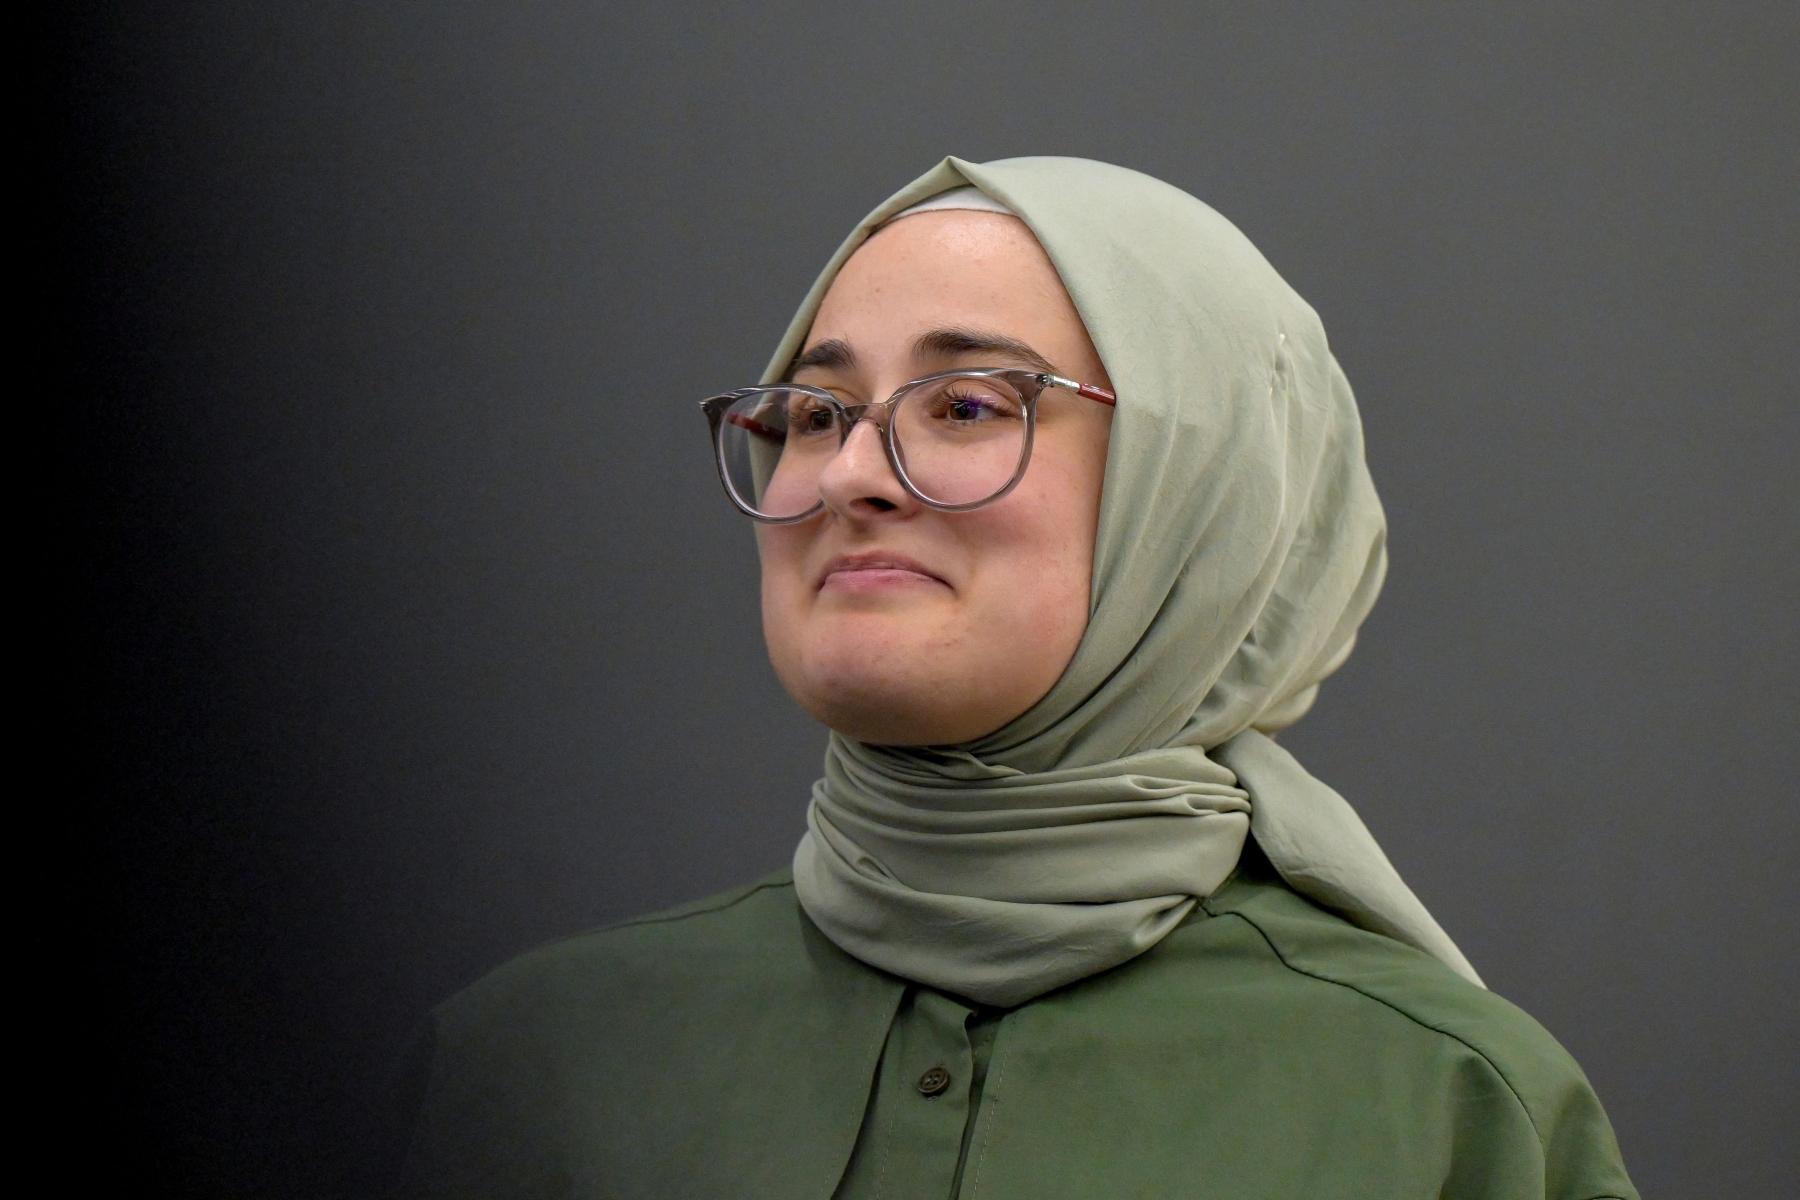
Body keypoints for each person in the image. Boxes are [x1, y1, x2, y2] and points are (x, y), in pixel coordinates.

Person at [395, 157, 1638, 1199]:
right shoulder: (535, 1068)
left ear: (1203, 502)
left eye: (970, 405)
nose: (848, 476)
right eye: (817, 414)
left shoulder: (1447, 1109)